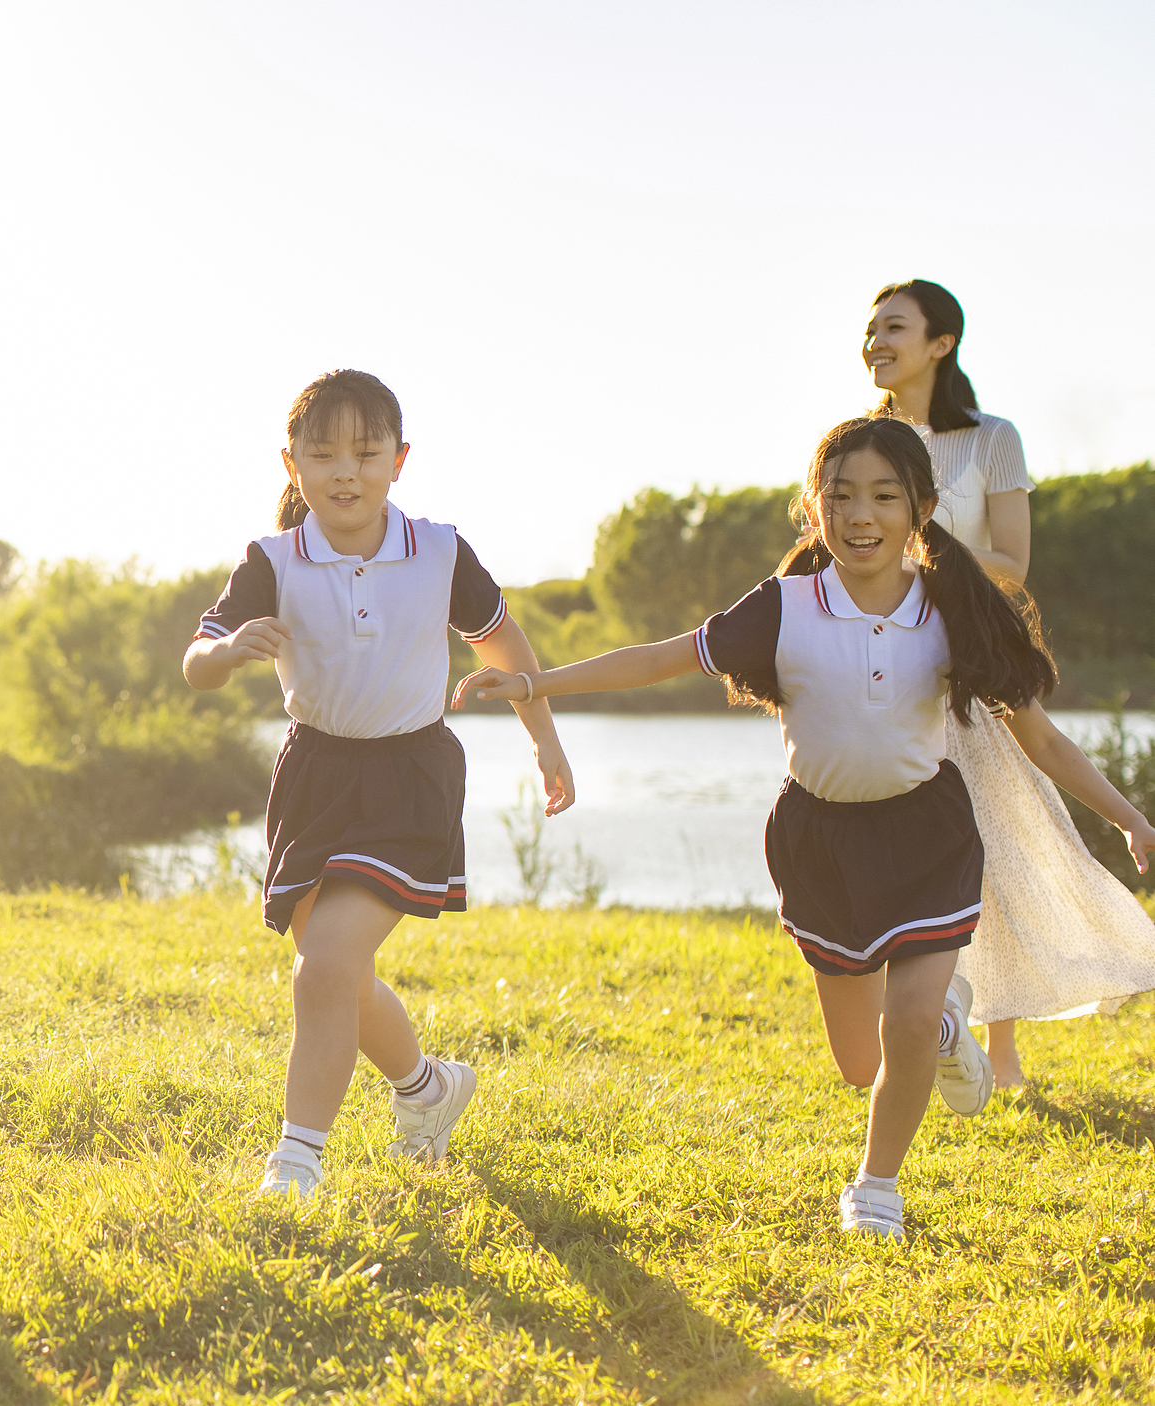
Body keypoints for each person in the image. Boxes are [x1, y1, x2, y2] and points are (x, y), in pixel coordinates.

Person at [456, 416, 1154, 1238]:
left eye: (884, 496)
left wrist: (1130, 818)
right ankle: (940, 1028)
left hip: (927, 835)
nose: (861, 513)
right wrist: (537, 682)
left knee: (901, 1023)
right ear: (813, 508)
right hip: (820, 845)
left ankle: (876, 1188)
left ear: (921, 509)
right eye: (841, 494)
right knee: (864, 1063)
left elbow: (1038, 735)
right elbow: (659, 657)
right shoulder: (785, 607)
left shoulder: (953, 605)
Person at [185, 370, 574, 1200]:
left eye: (365, 453)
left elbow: (505, 647)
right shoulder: (272, 560)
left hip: (408, 777)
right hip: (314, 779)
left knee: (324, 963)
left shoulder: (437, 549)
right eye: (322, 454)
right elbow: (199, 661)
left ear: (400, 459)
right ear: (291, 465)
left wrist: (546, 744)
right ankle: (428, 1089)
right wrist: (223, 652)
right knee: (340, 975)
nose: (345, 472)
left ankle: (296, 1161)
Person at [862, 279, 1155, 1089]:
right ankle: (930, 1023)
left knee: (995, 842)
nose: (874, 341)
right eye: (870, 329)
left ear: (940, 343)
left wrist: (912, 540)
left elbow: (1013, 568)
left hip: (973, 656)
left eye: (893, 326)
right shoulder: (860, 441)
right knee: (902, 848)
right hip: (881, 665)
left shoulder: (992, 438)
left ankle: (1002, 1051)